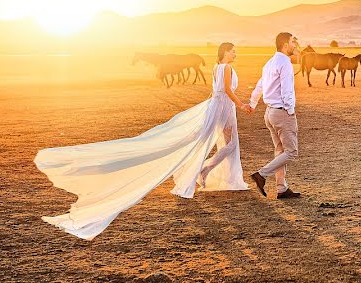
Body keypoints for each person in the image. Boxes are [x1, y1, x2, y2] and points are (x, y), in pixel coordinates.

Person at [34, 43, 250, 240]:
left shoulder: (215, 67)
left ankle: (205, 172)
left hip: (216, 105)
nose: (235, 53)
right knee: (229, 144)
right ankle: (203, 170)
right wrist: (241, 106)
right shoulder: (227, 69)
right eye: (232, 50)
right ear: (224, 52)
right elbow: (228, 91)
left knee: (207, 142)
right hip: (224, 108)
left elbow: (215, 91)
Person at [249, 32, 301, 199]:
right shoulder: (285, 63)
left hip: (269, 112)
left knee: (280, 150)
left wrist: (253, 103)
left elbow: (259, 86)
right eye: (293, 42)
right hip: (281, 112)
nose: (295, 45)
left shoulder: (270, 63)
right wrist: (290, 110)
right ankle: (261, 175)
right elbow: (286, 90)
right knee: (291, 152)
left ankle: (281, 188)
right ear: (285, 44)